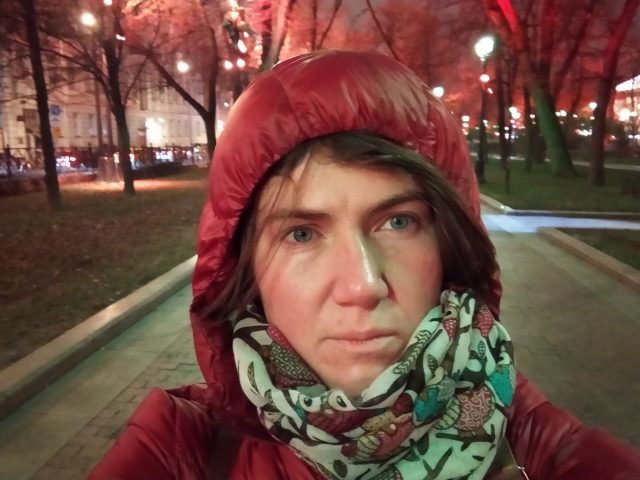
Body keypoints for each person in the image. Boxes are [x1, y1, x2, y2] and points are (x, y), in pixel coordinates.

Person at [89, 51, 640, 479]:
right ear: (246, 272)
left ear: (451, 248)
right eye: (302, 233)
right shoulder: (178, 453)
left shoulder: (541, 450)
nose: (363, 285)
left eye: (397, 222)